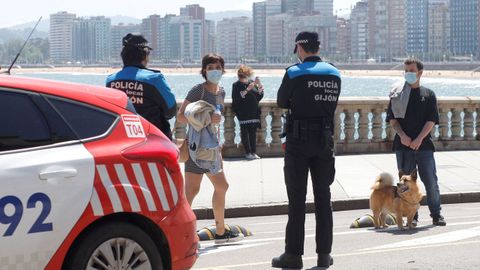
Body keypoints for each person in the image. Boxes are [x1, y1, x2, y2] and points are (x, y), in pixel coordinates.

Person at [272, 32, 341, 269]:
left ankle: (293, 255)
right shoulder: (334, 72)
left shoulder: (294, 72)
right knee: (324, 199)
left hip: (298, 142)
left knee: (297, 201)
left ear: (300, 48)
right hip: (324, 141)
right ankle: (324, 255)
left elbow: (282, 101)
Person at [176, 53, 244, 244]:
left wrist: (219, 147)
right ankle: (181, 233)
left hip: (213, 150)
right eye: (210, 67)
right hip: (196, 149)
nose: (214, 70)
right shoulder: (199, 91)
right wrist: (206, 119)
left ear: (223, 69)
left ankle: (220, 231)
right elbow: (181, 116)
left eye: (217, 67)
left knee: (222, 186)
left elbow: (217, 123)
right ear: (204, 70)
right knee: (191, 191)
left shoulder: (221, 92)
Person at [386, 58, 446, 227]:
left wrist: (419, 139)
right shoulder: (397, 94)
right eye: (406, 71)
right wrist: (403, 136)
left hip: (424, 146)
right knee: (405, 186)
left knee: (431, 182)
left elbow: (432, 120)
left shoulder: (428, 94)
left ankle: (436, 214)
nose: (408, 74)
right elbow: (392, 120)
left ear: (420, 72)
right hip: (402, 146)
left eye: (411, 71)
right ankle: (412, 215)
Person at [106, 33, 176, 140]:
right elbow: (171, 110)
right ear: (144, 56)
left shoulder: (111, 81)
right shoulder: (154, 79)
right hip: (153, 140)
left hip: (123, 140)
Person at [232, 65, 264, 160]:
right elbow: (236, 99)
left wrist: (259, 84)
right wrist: (247, 90)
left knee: (253, 133)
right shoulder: (236, 85)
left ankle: (253, 152)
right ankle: (248, 152)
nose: (245, 77)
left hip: (253, 112)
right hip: (243, 113)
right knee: (245, 133)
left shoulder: (251, 83)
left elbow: (260, 96)